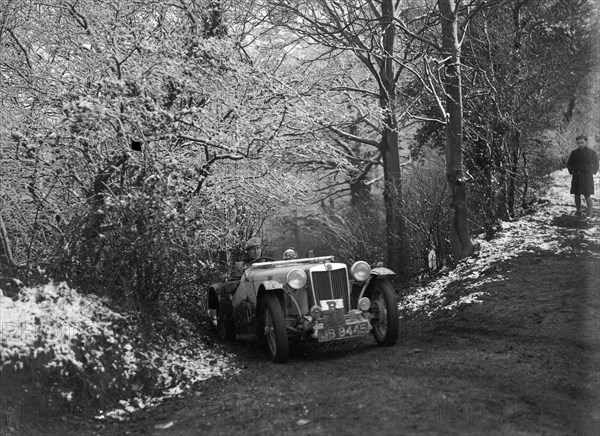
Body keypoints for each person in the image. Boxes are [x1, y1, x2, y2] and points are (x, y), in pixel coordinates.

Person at [567, 135, 599, 217]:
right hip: (577, 176)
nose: (580, 144)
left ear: (586, 142)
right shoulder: (574, 153)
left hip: (587, 177)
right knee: (576, 195)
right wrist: (572, 171)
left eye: (582, 142)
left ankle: (590, 212)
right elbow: (569, 163)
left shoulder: (591, 152)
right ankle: (578, 210)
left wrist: (592, 171)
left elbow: (596, 163)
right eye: (578, 143)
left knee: (587, 195)